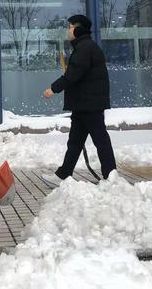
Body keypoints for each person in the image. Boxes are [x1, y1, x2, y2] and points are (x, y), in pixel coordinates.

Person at [41, 15, 116, 187]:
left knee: (100, 140)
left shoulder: (85, 49)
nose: (68, 30)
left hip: (90, 104)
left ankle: (111, 176)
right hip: (84, 104)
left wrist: (53, 89)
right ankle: (63, 175)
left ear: (79, 29)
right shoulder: (84, 47)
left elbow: (72, 75)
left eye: (70, 26)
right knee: (75, 142)